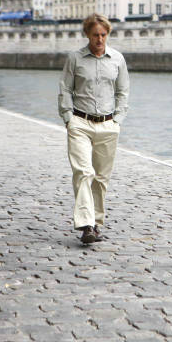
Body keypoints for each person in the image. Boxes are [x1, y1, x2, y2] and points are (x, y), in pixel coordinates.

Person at [58, 13, 129, 244]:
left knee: (100, 178)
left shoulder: (117, 59)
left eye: (103, 34)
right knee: (83, 172)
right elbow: (65, 89)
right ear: (87, 35)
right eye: (95, 35)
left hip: (108, 125)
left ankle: (96, 223)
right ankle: (86, 225)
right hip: (80, 122)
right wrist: (68, 118)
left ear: (107, 34)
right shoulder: (75, 59)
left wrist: (118, 120)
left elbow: (122, 92)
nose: (100, 39)